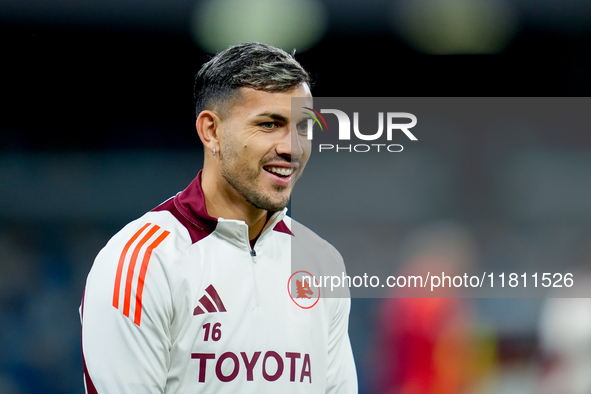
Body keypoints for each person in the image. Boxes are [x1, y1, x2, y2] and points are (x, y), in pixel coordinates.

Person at [80, 42, 357, 393]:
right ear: (211, 131)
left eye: (303, 127)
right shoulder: (141, 262)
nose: (293, 148)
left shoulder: (322, 262)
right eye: (270, 124)